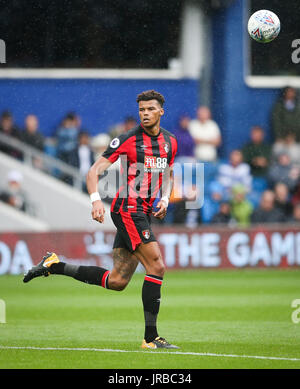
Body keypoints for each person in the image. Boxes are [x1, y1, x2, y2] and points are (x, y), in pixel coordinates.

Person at [23, 90, 179, 350]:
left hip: (143, 211)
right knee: (157, 267)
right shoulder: (128, 139)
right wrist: (96, 200)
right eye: (141, 109)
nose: (145, 113)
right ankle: (151, 338)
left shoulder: (171, 142)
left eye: (150, 109)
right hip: (128, 209)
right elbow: (94, 171)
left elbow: (168, 172)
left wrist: (163, 199)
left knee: (117, 281)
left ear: (161, 111)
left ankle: (54, 265)